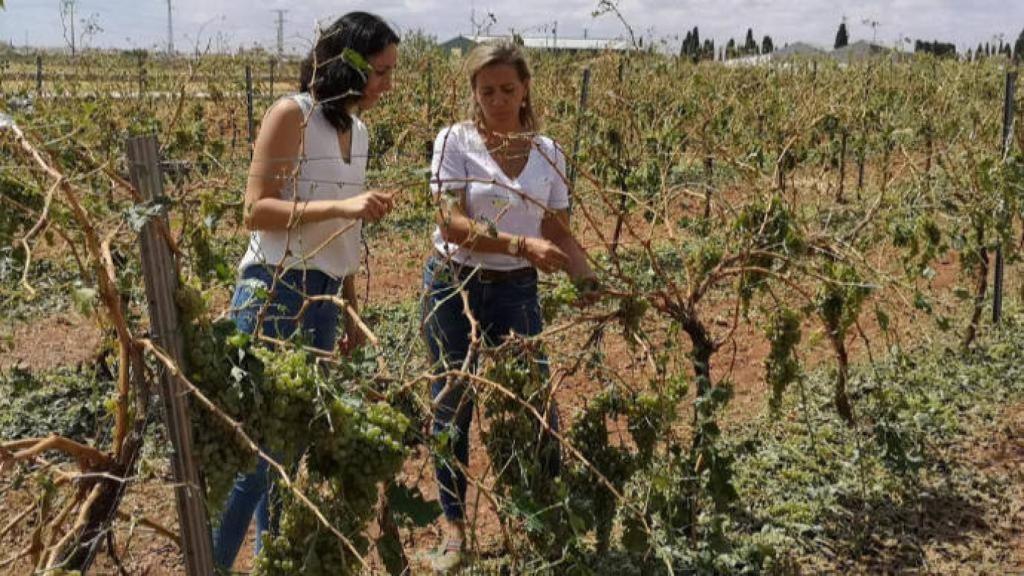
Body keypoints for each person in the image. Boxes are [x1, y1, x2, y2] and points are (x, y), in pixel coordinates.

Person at [211, 12, 399, 569]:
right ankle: (212, 563)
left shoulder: (358, 132)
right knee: (257, 452)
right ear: (351, 64)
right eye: (382, 72)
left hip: (323, 296)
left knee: (290, 447)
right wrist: (344, 205)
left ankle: (273, 562)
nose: (389, 84)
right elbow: (256, 210)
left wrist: (350, 310)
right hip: (275, 288)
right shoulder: (292, 114)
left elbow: (345, 234)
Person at [422, 41, 599, 572]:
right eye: (487, 91)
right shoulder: (455, 141)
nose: (498, 100)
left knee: (532, 404)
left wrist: (588, 276)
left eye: (507, 89)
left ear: (525, 89)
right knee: (453, 402)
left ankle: (542, 513)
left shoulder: (548, 151)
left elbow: (555, 227)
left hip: (517, 288)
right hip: (455, 285)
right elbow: (449, 222)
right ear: (475, 94)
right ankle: (454, 527)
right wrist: (519, 245)